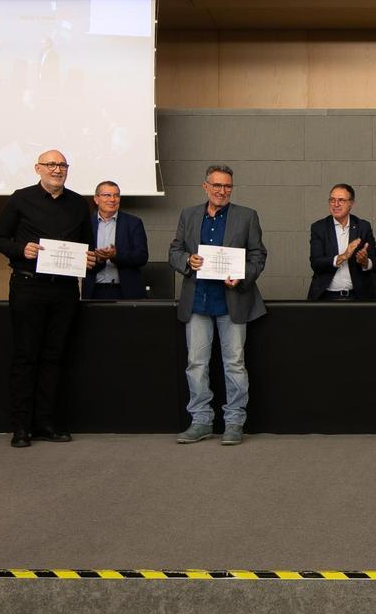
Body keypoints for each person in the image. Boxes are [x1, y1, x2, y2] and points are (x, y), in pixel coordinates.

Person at [0, 150, 96, 448]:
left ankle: (46, 423)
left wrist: (90, 259)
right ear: (38, 168)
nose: (57, 169)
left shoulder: (78, 203)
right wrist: (20, 249)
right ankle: (21, 427)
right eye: (51, 165)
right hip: (28, 287)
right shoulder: (19, 198)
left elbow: (88, 247)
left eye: (62, 165)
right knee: (26, 357)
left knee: (54, 357)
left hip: (64, 291)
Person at [168, 165, 267, 446]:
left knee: (234, 364)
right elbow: (174, 251)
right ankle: (201, 421)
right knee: (196, 364)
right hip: (197, 299)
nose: (222, 191)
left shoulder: (247, 216)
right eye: (217, 186)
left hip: (232, 301)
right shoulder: (188, 214)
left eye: (228, 186)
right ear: (205, 187)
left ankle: (234, 421)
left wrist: (242, 276)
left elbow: (258, 255)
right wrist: (187, 260)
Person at [307, 183, 376, 300]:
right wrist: (343, 256)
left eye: (341, 200)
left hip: (357, 297)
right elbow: (316, 263)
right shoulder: (319, 228)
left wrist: (365, 262)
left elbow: (375, 265)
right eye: (332, 200)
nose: (336, 204)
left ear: (351, 203)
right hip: (326, 297)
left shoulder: (363, 227)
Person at [82, 181, 149, 300]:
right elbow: (80, 257)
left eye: (116, 195)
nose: (112, 199)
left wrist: (116, 255)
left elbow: (142, 256)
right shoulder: (85, 223)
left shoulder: (133, 223)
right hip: (92, 291)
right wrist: (99, 259)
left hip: (125, 292)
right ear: (96, 199)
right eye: (107, 195)